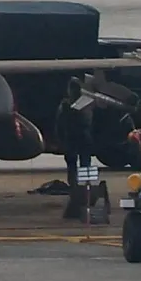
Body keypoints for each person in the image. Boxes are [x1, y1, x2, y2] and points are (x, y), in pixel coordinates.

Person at [54, 77, 94, 220]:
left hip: (72, 139)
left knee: (74, 166)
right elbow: (89, 121)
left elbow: (59, 124)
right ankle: (84, 190)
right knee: (84, 165)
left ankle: (76, 190)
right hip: (82, 138)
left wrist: (60, 139)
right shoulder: (85, 103)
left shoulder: (65, 106)